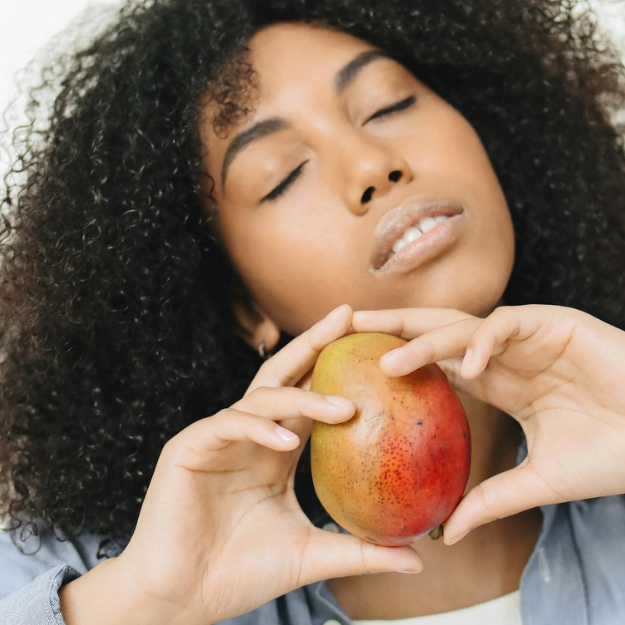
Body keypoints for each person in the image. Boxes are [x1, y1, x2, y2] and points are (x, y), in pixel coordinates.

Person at [0, 0, 624, 623]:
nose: (372, 166)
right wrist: (146, 601)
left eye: (389, 105)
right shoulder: (89, 572)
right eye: (282, 175)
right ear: (242, 307)